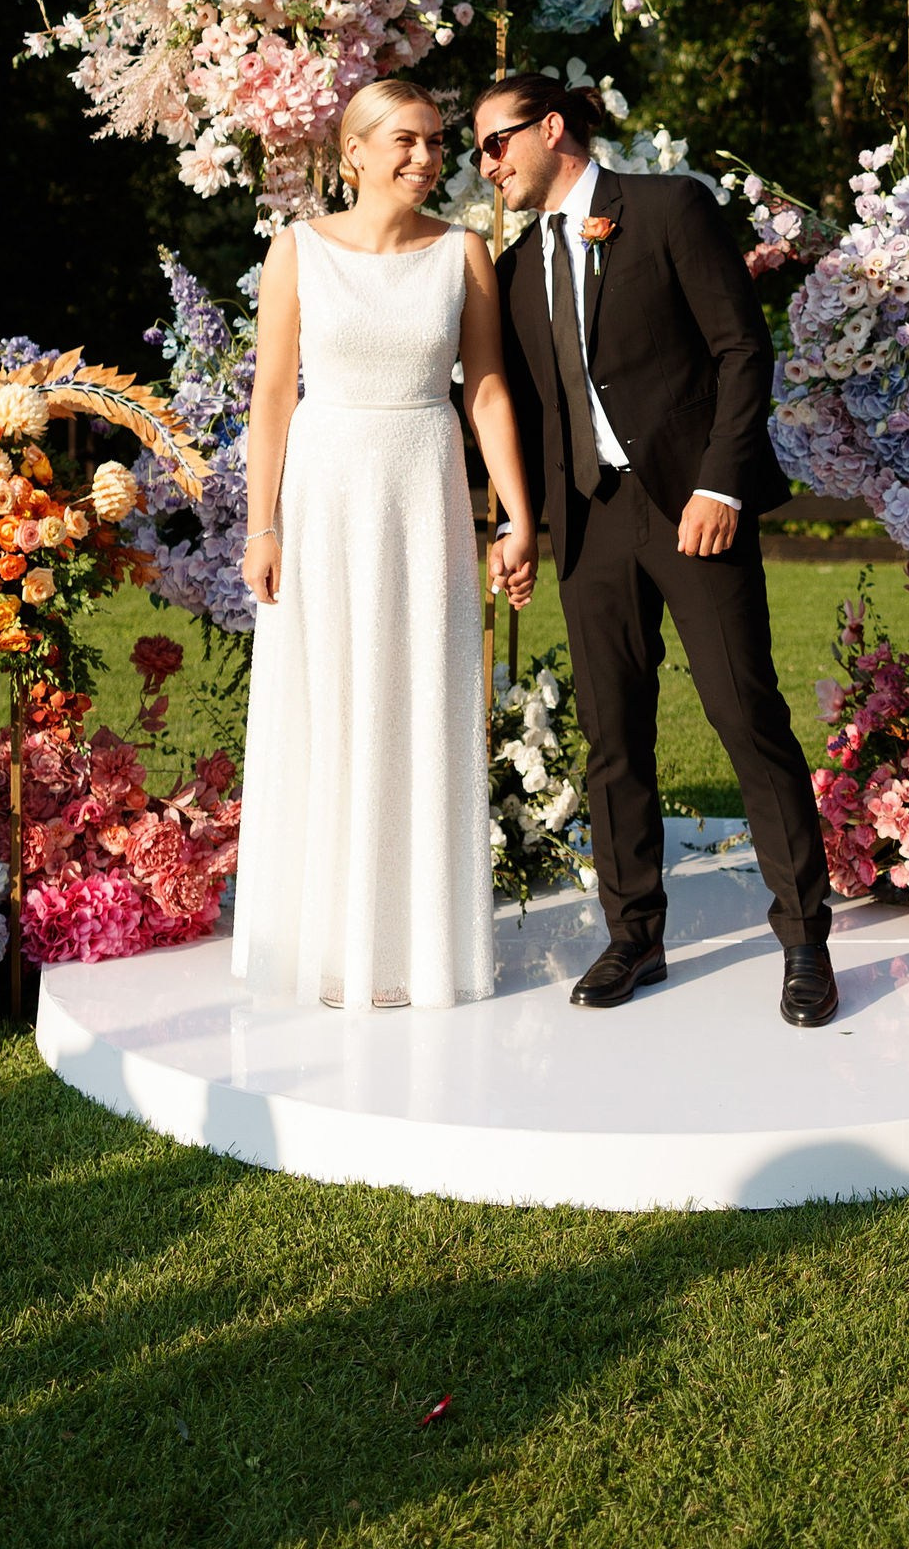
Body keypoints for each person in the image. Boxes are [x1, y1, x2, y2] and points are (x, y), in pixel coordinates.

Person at [474, 69, 839, 1025]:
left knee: (743, 712)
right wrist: (519, 523)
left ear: (551, 128)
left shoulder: (671, 208)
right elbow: (512, 404)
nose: (485, 165)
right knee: (612, 737)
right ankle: (634, 933)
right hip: (587, 524)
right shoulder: (514, 270)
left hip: (691, 507)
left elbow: (740, 350)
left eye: (494, 142)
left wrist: (720, 483)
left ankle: (804, 939)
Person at [231, 76, 537, 1010]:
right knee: (329, 704)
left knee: (420, 702)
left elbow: (485, 390)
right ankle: (327, 945)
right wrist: (263, 525)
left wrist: (517, 516)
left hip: (424, 491)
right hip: (326, 494)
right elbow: (273, 395)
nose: (426, 158)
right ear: (353, 152)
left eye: (438, 143)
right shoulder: (296, 252)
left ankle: (415, 950)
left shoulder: (464, 254)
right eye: (405, 140)